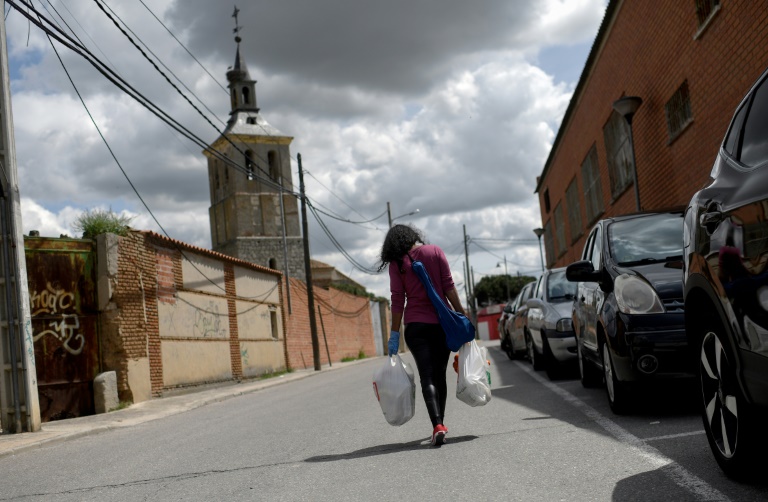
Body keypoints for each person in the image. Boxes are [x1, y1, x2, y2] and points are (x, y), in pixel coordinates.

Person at [378, 224, 469, 446]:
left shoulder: (397, 264)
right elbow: (449, 287)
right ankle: (441, 424)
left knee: (427, 377)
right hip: (442, 324)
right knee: (440, 376)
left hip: (415, 326)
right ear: (413, 236)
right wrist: (462, 315)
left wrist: (394, 335)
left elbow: (397, 300)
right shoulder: (435, 251)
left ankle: (436, 424)